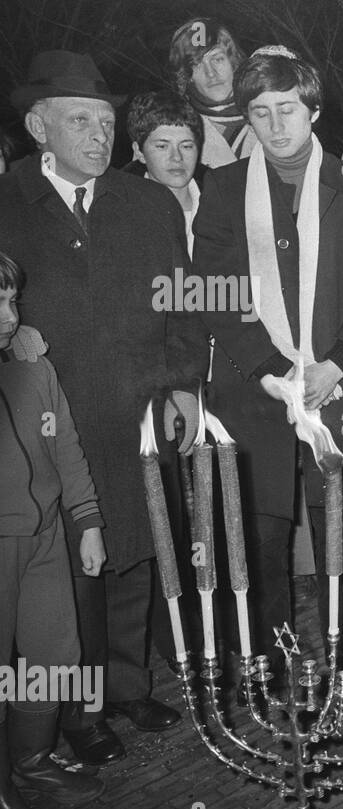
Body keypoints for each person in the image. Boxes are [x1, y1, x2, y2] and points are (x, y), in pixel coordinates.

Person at [0, 51, 208, 766]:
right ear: (37, 126)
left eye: (107, 122)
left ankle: (126, 685)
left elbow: (182, 304)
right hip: (50, 428)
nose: (99, 135)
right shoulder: (6, 205)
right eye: (79, 120)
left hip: (139, 412)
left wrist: (183, 384)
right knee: (67, 573)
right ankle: (74, 711)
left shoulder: (146, 203)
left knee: (137, 555)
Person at [192, 46, 343, 683]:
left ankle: (342, 643)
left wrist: (336, 364)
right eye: (261, 113)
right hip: (257, 387)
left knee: (338, 524)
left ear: (313, 111)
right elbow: (217, 290)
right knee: (263, 529)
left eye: (288, 110)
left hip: (337, 383)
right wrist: (274, 369)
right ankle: (271, 647)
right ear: (246, 119)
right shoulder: (222, 189)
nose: (276, 126)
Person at [0, 250, 108, 809]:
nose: (9, 316)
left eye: (12, 301)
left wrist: (86, 520)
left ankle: (31, 759)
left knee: (50, 655)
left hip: (44, 539)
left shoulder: (34, 371)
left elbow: (63, 445)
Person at [169, 18, 254, 169]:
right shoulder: (170, 126)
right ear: (187, 76)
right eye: (197, 64)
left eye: (218, 59)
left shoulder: (268, 112)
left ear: (233, 62)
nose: (211, 73)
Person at [125, 91, 204, 253]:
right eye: (162, 146)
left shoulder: (221, 204)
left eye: (186, 146)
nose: (177, 157)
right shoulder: (123, 212)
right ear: (139, 152)